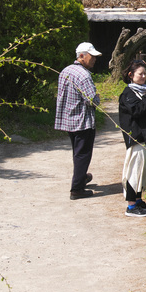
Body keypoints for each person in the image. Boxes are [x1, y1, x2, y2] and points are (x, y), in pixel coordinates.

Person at [55, 42, 102, 199]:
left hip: (69, 119)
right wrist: (97, 98)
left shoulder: (66, 70)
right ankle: (76, 189)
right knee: (83, 154)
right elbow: (91, 100)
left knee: (77, 152)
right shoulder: (84, 75)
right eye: (92, 56)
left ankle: (81, 178)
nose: (94, 59)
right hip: (83, 121)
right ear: (82, 56)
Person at [118, 59, 146, 217]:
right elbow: (137, 111)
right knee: (134, 169)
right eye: (140, 74)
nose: (144, 76)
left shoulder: (144, 91)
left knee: (144, 169)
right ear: (131, 75)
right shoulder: (128, 94)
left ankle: (138, 201)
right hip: (137, 136)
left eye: (145, 74)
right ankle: (131, 206)